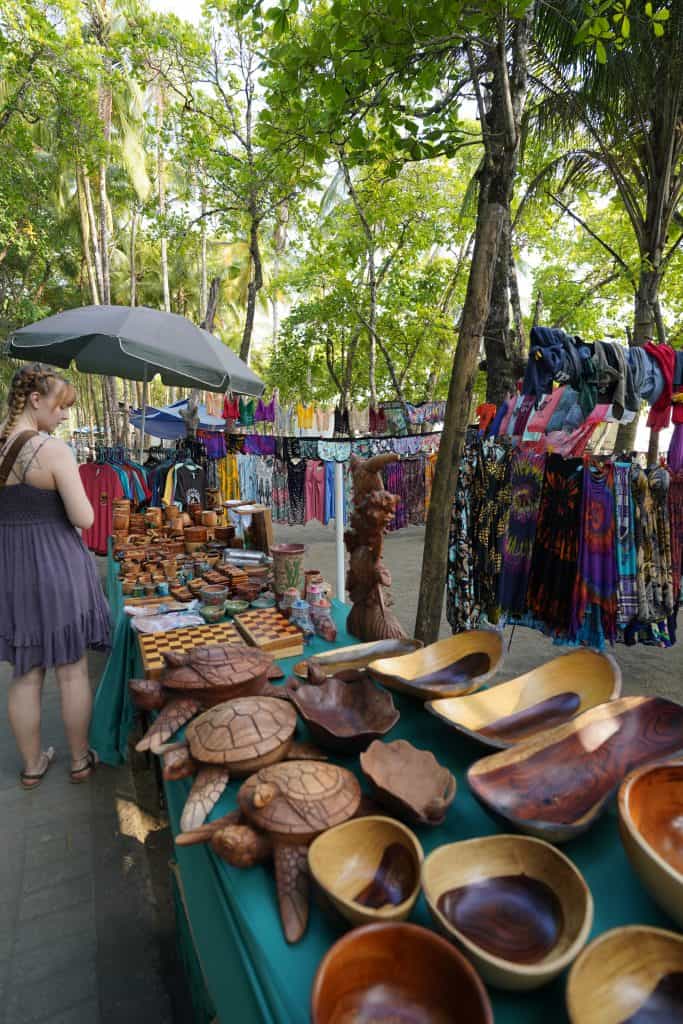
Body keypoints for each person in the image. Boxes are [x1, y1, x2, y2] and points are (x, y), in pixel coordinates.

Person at [0, 363, 111, 788]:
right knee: (70, 668)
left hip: (10, 571)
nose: (64, 416)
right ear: (35, 400)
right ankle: (80, 761)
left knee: (25, 672)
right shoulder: (51, 450)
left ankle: (31, 766)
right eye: (61, 407)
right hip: (56, 564)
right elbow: (83, 518)